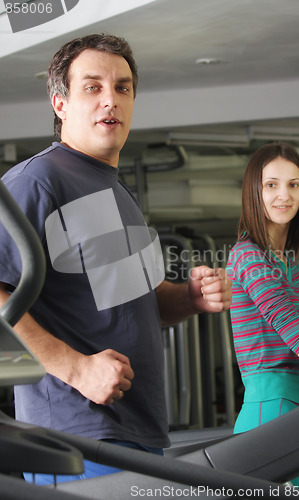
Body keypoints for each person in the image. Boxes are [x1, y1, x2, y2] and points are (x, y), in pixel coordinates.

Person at [0, 34, 232, 484]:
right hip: (76, 436)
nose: (111, 100)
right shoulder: (37, 181)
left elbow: (136, 304)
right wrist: (76, 368)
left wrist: (188, 297)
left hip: (139, 432)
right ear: (60, 103)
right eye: (93, 87)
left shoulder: (114, 188)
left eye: (122, 88)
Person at [226, 142, 299, 488]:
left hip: (292, 418)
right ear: (253, 193)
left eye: (293, 184)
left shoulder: (286, 263)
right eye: (271, 184)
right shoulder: (249, 257)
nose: (283, 195)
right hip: (268, 418)